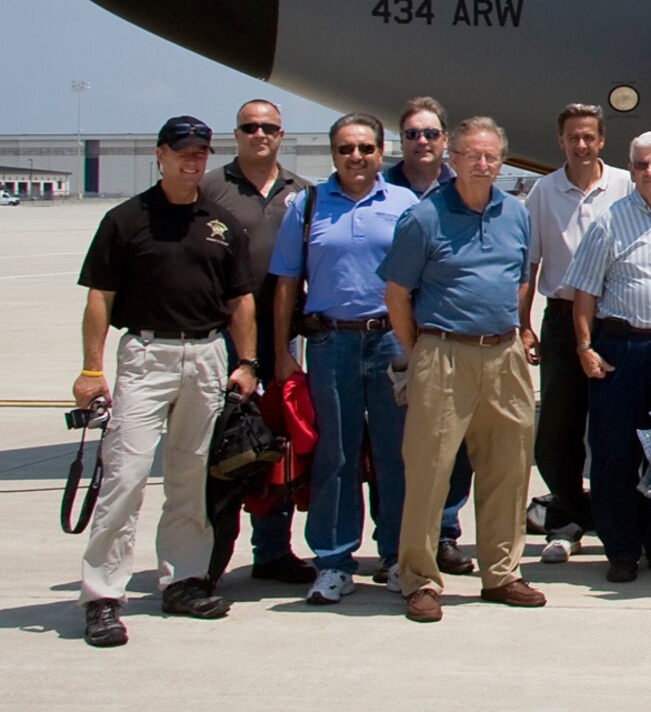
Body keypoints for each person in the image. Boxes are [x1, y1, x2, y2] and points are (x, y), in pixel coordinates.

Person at [76, 117, 259, 648]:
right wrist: (91, 370)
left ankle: (182, 580)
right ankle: (103, 595)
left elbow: (239, 299)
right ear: (160, 155)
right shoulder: (125, 219)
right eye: (182, 152)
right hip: (146, 354)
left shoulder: (221, 223)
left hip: (206, 355)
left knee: (189, 478)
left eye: (201, 152)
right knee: (125, 477)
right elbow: (99, 298)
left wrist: (245, 363)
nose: (192, 161)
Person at [381, 118, 544, 623]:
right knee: (430, 470)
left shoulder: (514, 213)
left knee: (509, 468)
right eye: (472, 155)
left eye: (492, 156)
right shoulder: (423, 217)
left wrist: (517, 331)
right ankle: (421, 579)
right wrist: (422, 351)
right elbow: (396, 295)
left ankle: (500, 572)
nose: (483, 164)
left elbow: (521, 279)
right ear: (452, 158)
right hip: (443, 353)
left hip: (504, 354)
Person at [268, 113, 420, 605]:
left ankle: (397, 555)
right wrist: (283, 353)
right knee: (336, 452)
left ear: (381, 152)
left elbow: (422, 278)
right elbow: (287, 282)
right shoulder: (308, 205)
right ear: (333, 154)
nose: (356, 157)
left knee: (397, 452)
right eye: (346, 149)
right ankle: (333, 560)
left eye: (366, 148)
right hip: (331, 342)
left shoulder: (404, 203)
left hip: (390, 341)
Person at [569, 132, 651, 584]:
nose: (650, 172)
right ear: (632, 170)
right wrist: (585, 347)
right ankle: (622, 550)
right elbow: (585, 293)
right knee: (615, 456)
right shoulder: (608, 222)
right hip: (620, 350)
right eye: (642, 165)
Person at [197, 98, 313, 587]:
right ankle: (208, 555)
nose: (259, 134)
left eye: (268, 127)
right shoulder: (209, 189)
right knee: (219, 446)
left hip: (285, 334)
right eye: (250, 127)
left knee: (279, 445)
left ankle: (271, 550)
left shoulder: (304, 193)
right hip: (223, 335)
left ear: (281, 136)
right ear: (236, 134)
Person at [524, 103, 634, 563]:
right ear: (561, 141)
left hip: (616, 320)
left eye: (590, 136)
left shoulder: (626, 184)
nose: (582, 144)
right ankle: (568, 517)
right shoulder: (543, 191)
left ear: (602, 140)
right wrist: (522, 326)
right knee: (557, 430)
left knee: (616, 428)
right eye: (574, 137)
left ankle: (617, 520)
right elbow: (529, 265)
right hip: (563, 318)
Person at [384, 95, 475, 577]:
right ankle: (393, 542)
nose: (422, 142)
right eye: (413, 135)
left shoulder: (463, 190)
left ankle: (444, 534)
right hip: (395, 331)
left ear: (446, 141)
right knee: (399, 444)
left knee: (452, 443)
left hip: (447, 333)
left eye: (431, 134)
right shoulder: (381, 191)